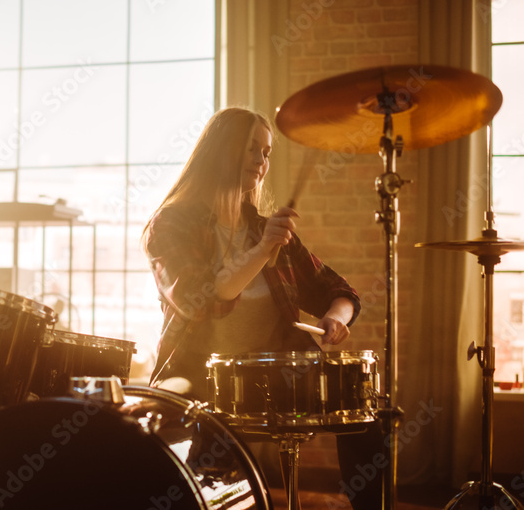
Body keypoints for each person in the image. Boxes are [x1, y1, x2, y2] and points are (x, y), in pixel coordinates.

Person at [142, 106, 382, 508]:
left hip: (275, 381)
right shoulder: (171, 225)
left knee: (366, 416)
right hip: (200, 380)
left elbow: (339, 290)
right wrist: (262, 249)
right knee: (222, 485)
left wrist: (335, 319)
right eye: (251, 149)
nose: (261, 161)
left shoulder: (265, 228)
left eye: (267, 152)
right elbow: (203, 301)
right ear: (221, 151)